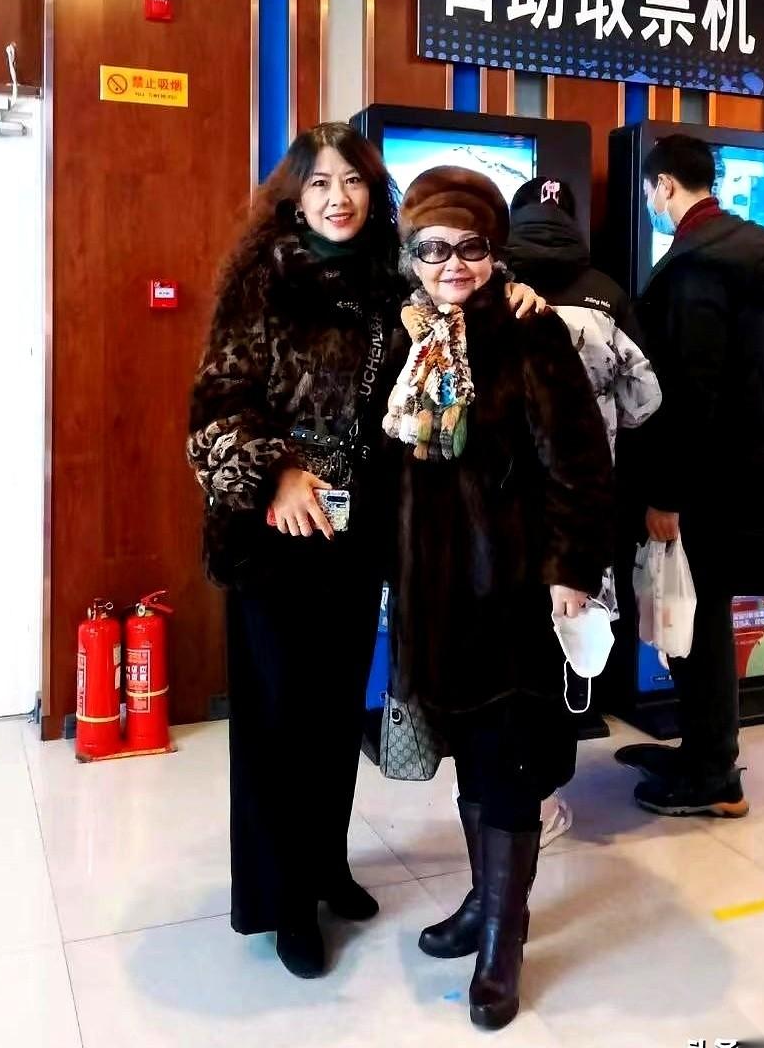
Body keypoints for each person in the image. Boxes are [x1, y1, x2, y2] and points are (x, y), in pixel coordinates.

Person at [186, 124, 545, 980]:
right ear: (294, 196)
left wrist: (520, 292)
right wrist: (275, 475)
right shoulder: (263, 281)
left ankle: (325, 866)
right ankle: (283, 904)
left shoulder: (393, 280)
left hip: (359, 536)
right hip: (276, 536)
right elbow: (215, 408)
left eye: (351, 180)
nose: (337, 197)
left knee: (336, 712)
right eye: (319, 183)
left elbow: (459, 292)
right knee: (280, 723)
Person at [384, 166, 615, 1032]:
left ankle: (501, 944)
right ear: (411, 255)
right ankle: (485, 901)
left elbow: (581, 464)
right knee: (468, 757)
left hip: (513, 594)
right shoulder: (405, 333)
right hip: (434, 597)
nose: (453, 263)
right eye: (433, 247)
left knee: (510, 765)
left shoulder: (530, 332)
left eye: (471, 246)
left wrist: (571, 569)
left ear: (496, 252)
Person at [615, 134, 764, 818]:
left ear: (664, 185)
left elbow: (693, 394)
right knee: (704, 618)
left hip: (704, 483)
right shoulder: (739, 256)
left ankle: (713, 775)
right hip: (737, 471)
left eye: (649, 192)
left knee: (700, 625)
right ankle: (704, 752)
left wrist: (667, 495)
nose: (651, 203)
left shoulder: (698, 269)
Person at [507, 175, 661, 843]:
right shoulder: (607, 292)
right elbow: (646, 401)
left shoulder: (488, 287)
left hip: (501, 507)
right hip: (583, 502)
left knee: (505, 653)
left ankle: (501, 793)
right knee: (564, 644)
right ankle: (545, 797)